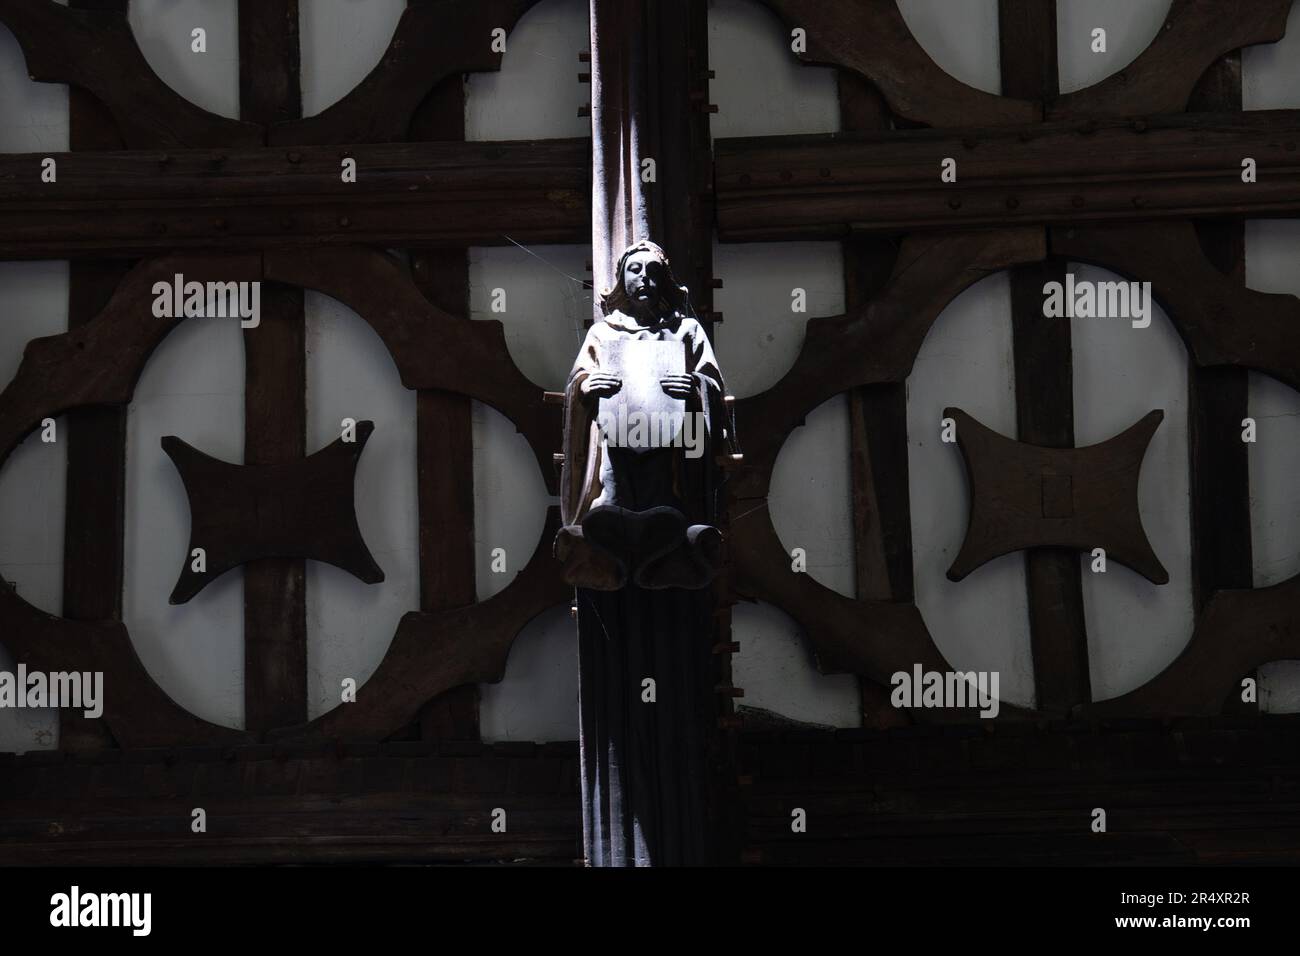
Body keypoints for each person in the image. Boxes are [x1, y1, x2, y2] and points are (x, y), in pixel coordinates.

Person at [557, 239, 728, 589]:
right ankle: (613, 520)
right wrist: (588, 386)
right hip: (617, 436)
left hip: (674, 438)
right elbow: (578, 382)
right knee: (615, 478)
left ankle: (663, 527)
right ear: (622, 279)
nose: (644, 278)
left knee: (665, 479)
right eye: (635, 270)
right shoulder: (603, 333)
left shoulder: (686, 331)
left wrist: (694, 386)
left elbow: (711, 382)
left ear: (664, 280)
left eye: (653, 271)